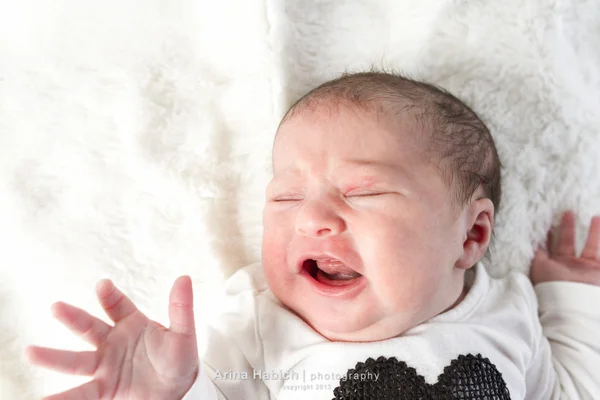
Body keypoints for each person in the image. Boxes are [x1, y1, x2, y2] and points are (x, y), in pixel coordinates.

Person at [26, 72, 600, 400]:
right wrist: (171, 391)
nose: (312, 219)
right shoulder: (258, 328)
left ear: (471, 236)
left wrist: (572, 300)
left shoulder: (508, 315)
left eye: (363, 192)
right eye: (286, 197)